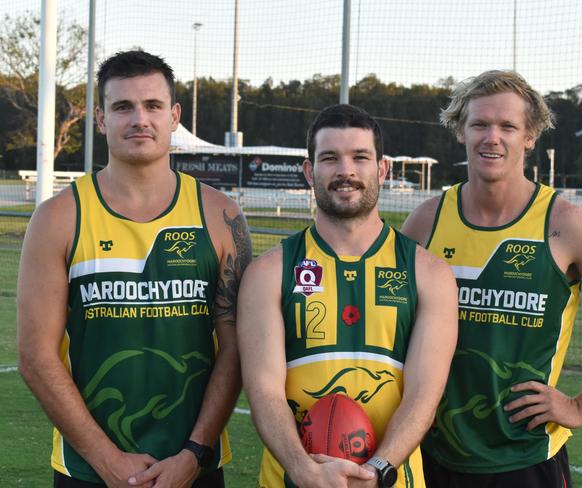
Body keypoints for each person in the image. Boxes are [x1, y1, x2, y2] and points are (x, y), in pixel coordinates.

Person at [402, 70, 582, 487]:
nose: (491, 137)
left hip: (527, 461)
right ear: (460, 131)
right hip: (430, 455)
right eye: (479, 124)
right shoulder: (426, 221)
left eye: (508, 126)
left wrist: (580, 406)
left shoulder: (565, 224)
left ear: (531, 135)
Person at [17, 50, 252, 488]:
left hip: (195, 467)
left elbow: (237, 349)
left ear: (174, 115)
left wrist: (194, 454)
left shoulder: (220, 216)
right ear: (101, 119)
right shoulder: (59, 218)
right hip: (88, 470)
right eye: (122, 107)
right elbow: (36, 356)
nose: (139, 119)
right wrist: (108, 461)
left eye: (153, 106)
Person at [237, 104, 458, 488]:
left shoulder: (430, 273)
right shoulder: (267, 273)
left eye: (360, 157)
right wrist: (304, 471)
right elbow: (264, 389)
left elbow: (424, 393)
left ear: (382, 168)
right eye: (329, 158)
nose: (346, 171)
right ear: (309, 172)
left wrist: (377, 471)